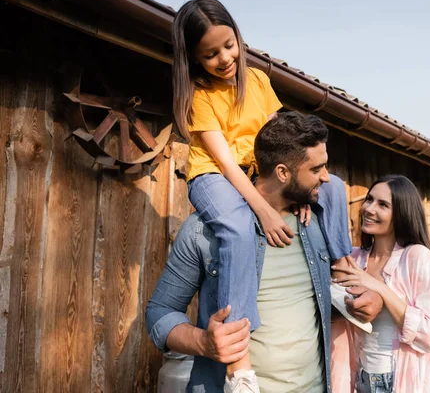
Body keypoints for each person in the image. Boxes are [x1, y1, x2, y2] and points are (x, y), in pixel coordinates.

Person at [171, 0, 353, 390]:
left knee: (334, 186)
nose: (224, 58)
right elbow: (224, 163)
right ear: (193, 58)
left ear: (238, 37)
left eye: (229, 45)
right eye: (210, 54)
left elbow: (278, 140)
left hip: (253, 169)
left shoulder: (257, 80)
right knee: (237, 227)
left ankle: (341, 272)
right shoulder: (201, 98)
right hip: (214, 176)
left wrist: (301, 193)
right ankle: (240, 359)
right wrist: (267, 211)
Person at [145, 112, 381, 393]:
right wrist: (203, 343)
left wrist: (365, 302)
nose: (326, 177)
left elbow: (310, 305)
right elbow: (159, 312)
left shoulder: (316, 223)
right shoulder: (203, 231)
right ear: (283, 173)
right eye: (316, 169)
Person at [331, 175, 430, 393]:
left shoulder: (417, 258)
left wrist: (380, 289)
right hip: (361, 379)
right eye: (369, 200)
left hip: (398, 381)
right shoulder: (354, 258)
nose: (369, 208)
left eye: (383, 205)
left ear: (402, 214)